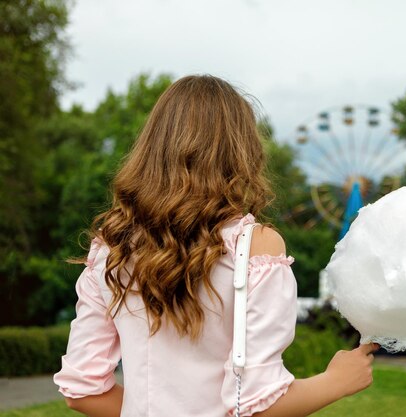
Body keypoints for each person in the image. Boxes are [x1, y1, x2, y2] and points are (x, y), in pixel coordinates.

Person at [53, 75, 379, 417]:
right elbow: (257, 407)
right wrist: (337, 381)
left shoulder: (111, 248)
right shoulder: (255, 247)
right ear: (242, 151)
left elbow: (82, 390)